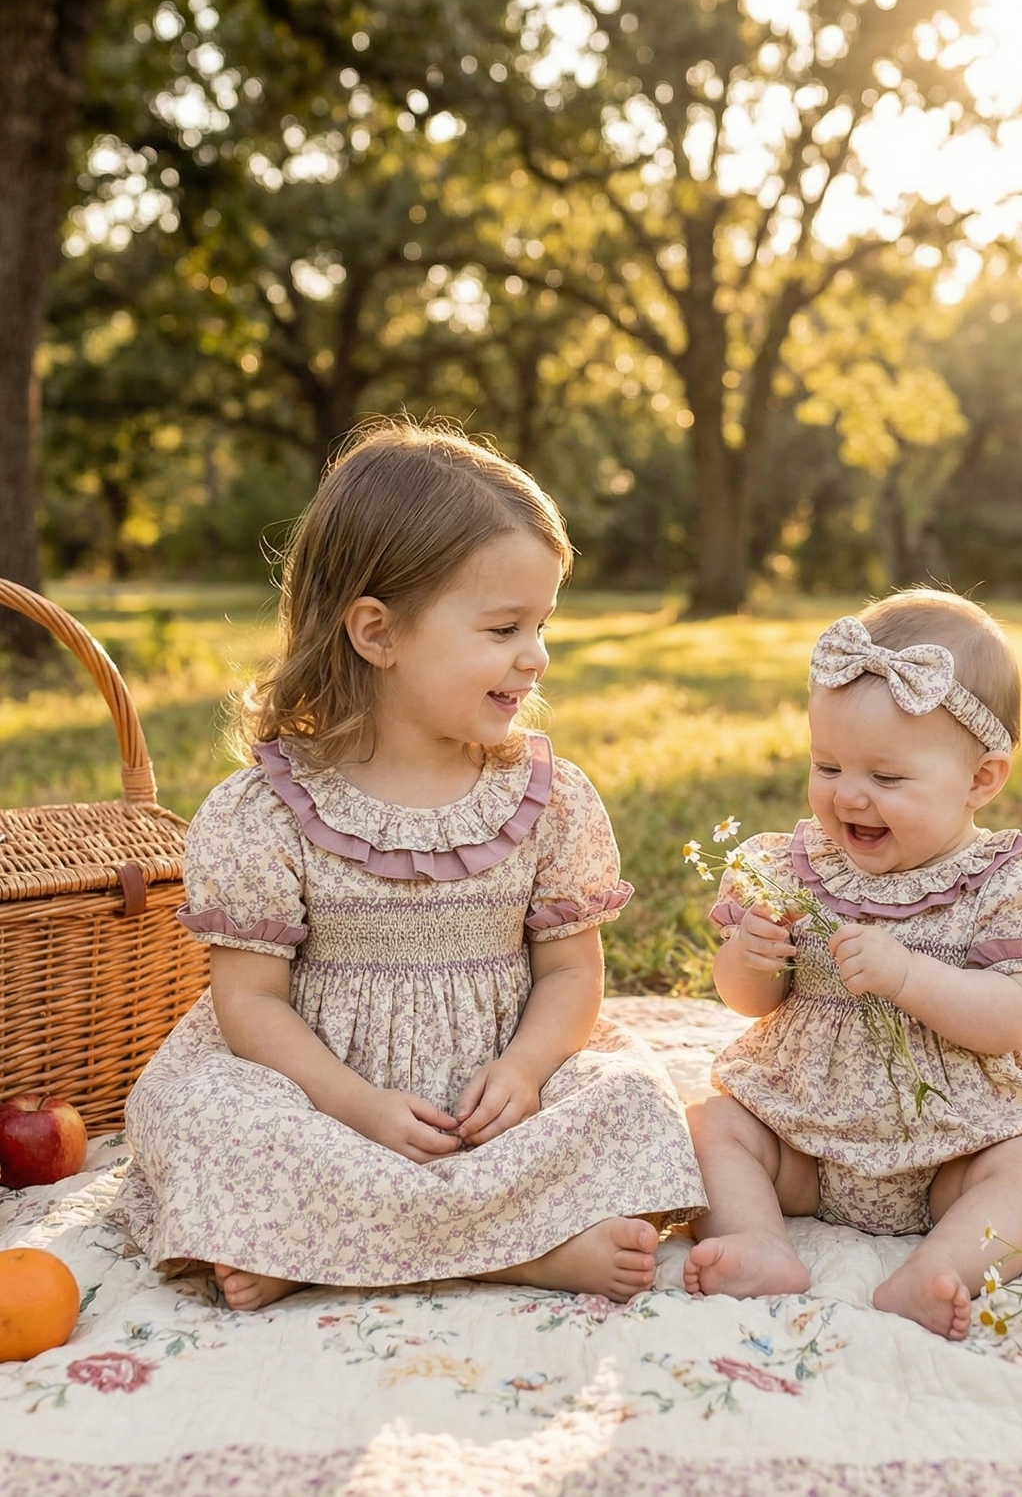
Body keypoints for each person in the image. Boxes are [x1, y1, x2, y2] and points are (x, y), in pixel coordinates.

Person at [110, 422, 704, 1310]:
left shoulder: (549, 797)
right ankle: (518, 1248)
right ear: (377, 632)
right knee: (203, 1117)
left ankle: (321, 1244)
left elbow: (573, 972)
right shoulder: (265, 810)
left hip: (493, 1097)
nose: (534, 656)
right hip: (324, 1098)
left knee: (632, 1099)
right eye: (504, 627)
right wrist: (353, 1105)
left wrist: (529, 1069)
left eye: (541, 625)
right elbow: (250, 1004)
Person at [682, 590, 1022, 1340]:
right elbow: (747, 1001)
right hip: (802, 1131)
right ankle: (759, 1241)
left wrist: (908, 976)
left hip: (957, 1146)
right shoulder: (788, 867)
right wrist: (750, 958)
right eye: (827, 764)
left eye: (888, 778)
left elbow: (1008, 1021)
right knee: (711, 1124)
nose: (850, 795)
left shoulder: (1014, 887)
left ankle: (938, 1270)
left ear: (981, 780)